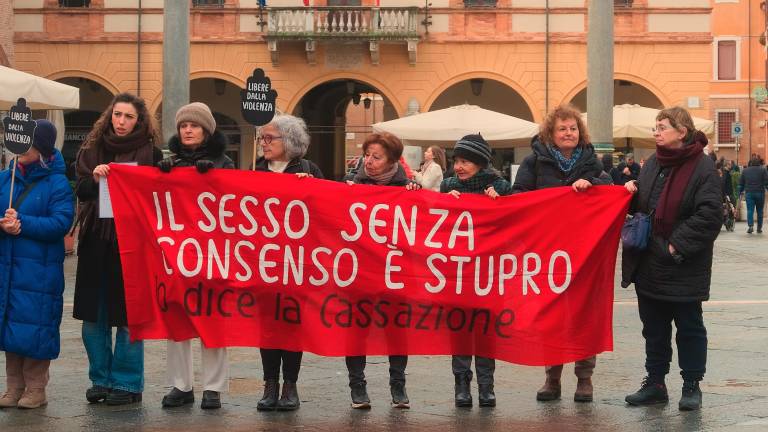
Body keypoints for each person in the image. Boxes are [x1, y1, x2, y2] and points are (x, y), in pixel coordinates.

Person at [622, 107, 721, 411]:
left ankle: (691, 386)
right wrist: (630, 192)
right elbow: (644, 204)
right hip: (649, 261)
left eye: (662, 127)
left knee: (689, 327)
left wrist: (676, 246)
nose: (656, 132)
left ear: (682, 131)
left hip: (682, 264)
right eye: (655, 127)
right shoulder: (653, 163)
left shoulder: (702, 167)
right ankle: (655, 383)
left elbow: (710, 214)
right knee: (654, 327)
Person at [512, 103, 612, 403]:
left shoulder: (591, 161)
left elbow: (608, 187)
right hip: (548, 251)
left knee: (584, 313)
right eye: (562, 129)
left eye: (573, 129)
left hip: (585, 250)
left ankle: (585, 378)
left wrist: (591, 184)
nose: (568, 133)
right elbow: (518, 196)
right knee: (552, 314)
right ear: (550, 133)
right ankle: (552, 378)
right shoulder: (534, 162)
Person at [73, 93, 163, 406]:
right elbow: (80, 189)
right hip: (96, 240)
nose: (121, 122)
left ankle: (127, 382)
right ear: (110, 115)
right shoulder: (92, 147)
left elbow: (160, 193)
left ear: (139, 122)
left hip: (132, 243)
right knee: (93, 316)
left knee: (129, 316)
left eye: (128, 117)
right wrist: (96, 178)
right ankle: (100, 378)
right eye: (117, 115)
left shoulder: (150, 151)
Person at [157, 102, 235, 410]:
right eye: (183, 126)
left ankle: (213, 388)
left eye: (194, 125)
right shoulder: (170, 162)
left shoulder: (225, 163)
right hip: (177, 253)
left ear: (206, 129)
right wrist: (162, 176)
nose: (187, 130)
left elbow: (234, 202)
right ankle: (181, 385)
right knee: (177, 318)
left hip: (213, 251)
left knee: (212, 318)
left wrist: (213, 176)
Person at [0, 120, 74, 409]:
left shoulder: (56, 182)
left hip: (39, 272)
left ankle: (35, 388)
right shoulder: (6, 179)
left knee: (35, 329)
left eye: (26, 145)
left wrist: (22, 223)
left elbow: (61, 223)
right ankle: (12, 387)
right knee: (10, 328)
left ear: (41, 149)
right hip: (8, 269)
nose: (18, 151)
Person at [252, 114, 323, 411]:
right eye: (262, 138)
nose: (264, 144)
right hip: (263, 260)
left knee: (292, 324)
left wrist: (313, 189)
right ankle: (270, 384)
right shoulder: (255, 170)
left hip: (297, 262)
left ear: (290, 142)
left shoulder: (309, 170)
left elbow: (326, 212)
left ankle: (290, 385)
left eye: (270, 139)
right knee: (267, 325)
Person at [344, 131, 420, 410]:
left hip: (395, 270)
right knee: (356, 329)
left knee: (396, 329)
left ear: (392, 161)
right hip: (359, 270)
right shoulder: (350, 183)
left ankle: (398, 385)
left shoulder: (408, 188)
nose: (370, 161)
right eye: (367, 155)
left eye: (377, 157)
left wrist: (416, 195)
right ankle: (357, 386)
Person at [440, 133, 512, 408]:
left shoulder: (500, 186)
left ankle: (485, 387)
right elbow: (431, 221)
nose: (459, 166)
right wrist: (444, 201)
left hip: (488, 272)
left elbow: (515, 221)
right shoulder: (447, 186)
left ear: (481, 164)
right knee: (459, 328)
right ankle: (461, 385)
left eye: (466, 161)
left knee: (485, 330)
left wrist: (501, 202)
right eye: (457, 160)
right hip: (456, 271)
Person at [738, 157, 768, 234]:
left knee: (750, 210)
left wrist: (739, 192)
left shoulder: (745, 170)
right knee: (760, 211)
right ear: (758, 163)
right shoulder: (763, 170)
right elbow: (766, 182)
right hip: (760, 192)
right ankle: (759, 228)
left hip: (749, 193)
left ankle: (750, 226)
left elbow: (741, 183)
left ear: (750, 163)